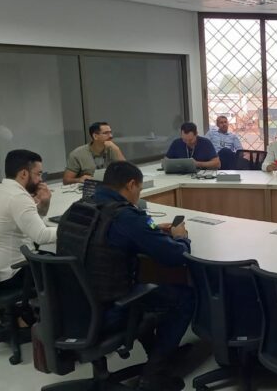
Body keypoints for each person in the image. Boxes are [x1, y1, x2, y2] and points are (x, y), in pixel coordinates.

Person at [69, 161, 194, 391]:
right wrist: (180, 237)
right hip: (106, 310)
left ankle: (157, 357)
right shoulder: (124, 216)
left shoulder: (78, 208)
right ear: (131, 184)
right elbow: (175, 257)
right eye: (139, 189)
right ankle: (154, 374)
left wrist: (149, 231)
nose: (138, 194)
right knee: (184, 297)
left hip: (70, 307)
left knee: (149, 290)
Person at [0, 149, 56, 289]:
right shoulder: (18, 197)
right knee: (70, 267)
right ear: (24, 173)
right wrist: (71, 229)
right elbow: (41, 236)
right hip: (12, 274)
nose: (40, 180)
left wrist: (44, 203)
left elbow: (28, 222)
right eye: (38, 174)